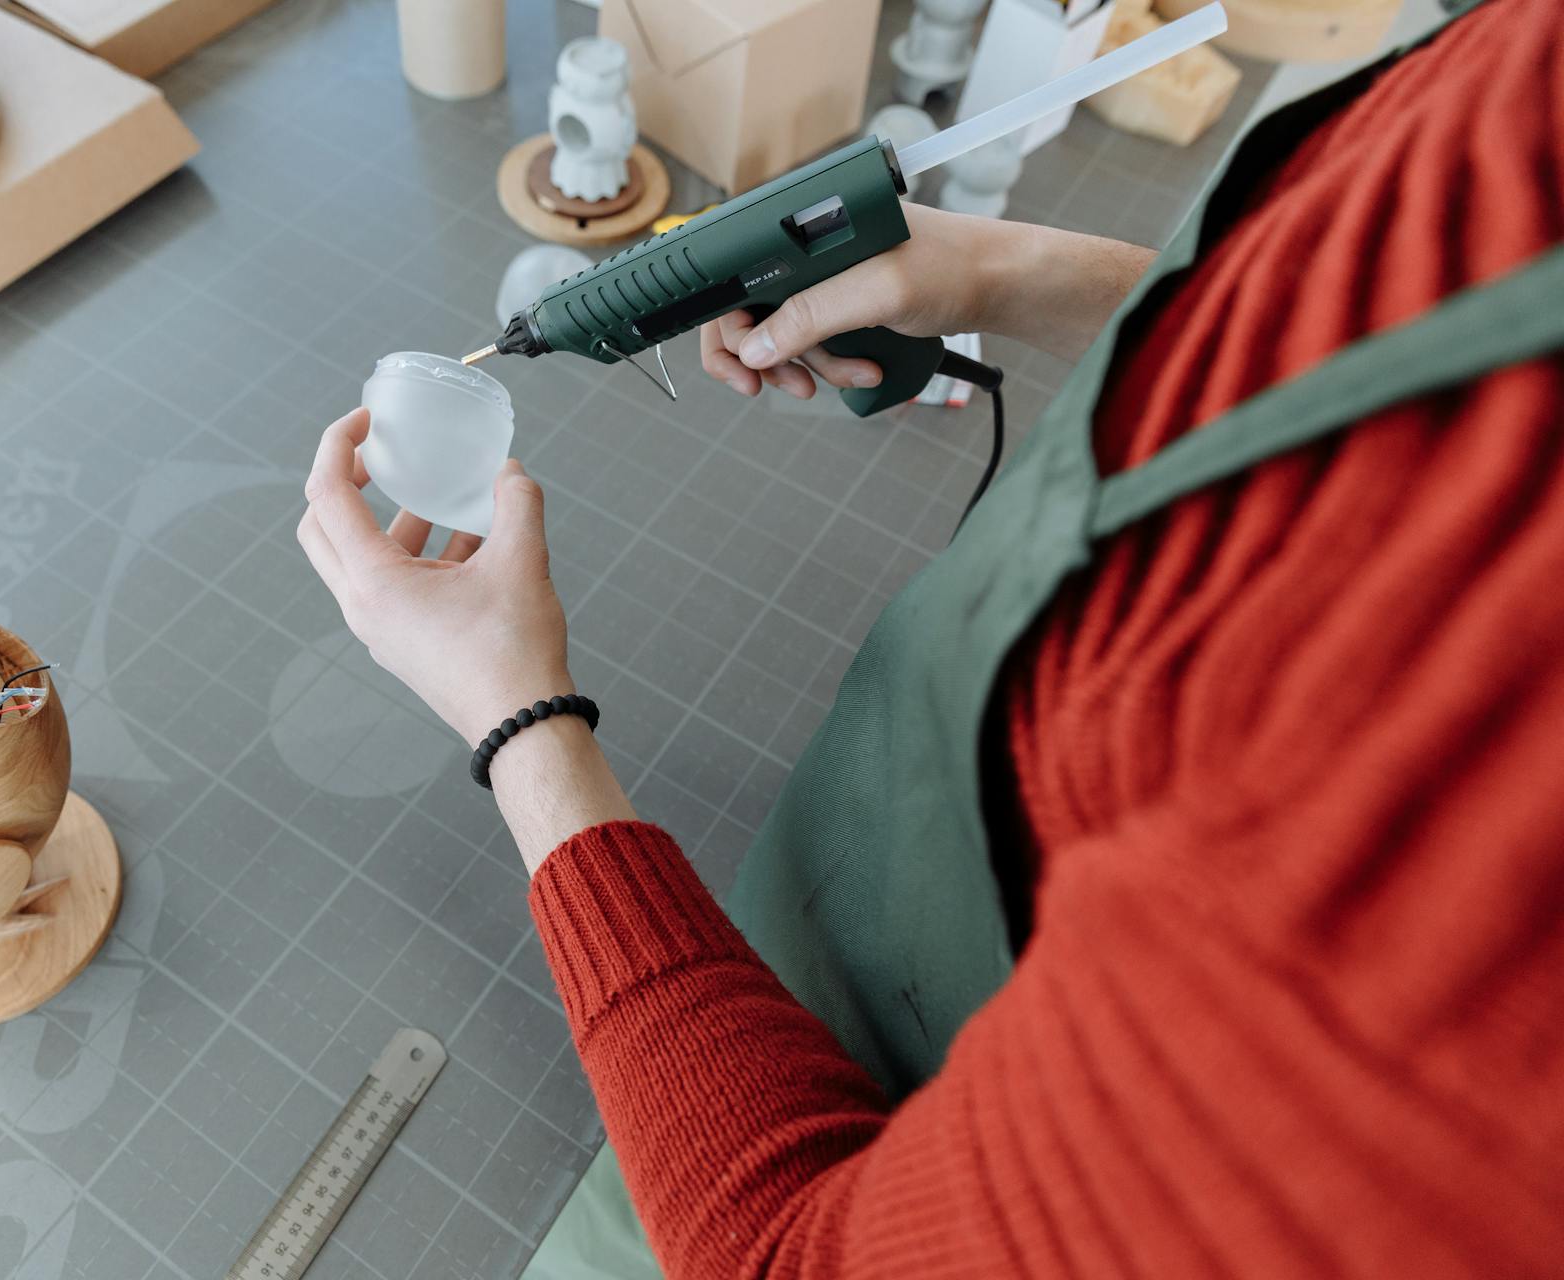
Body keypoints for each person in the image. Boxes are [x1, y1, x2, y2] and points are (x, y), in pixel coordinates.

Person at [298, 0, 1563, 1274]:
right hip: (892, 887)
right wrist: (1035, 280)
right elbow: (1373, 375)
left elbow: (792, 1255)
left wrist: (517, 718)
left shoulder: (1434, 949)